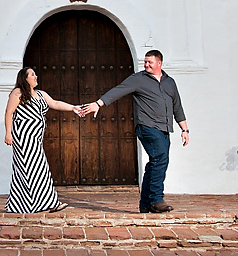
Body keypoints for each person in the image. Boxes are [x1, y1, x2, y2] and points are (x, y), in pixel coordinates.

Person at [80, 50, 188, 213]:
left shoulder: (170, 82)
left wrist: (184, 129)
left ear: (159, 63)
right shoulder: (138, 79)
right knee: (161, 158)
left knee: (155, 163)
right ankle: (157, 200)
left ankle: (145, 204)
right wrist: (99, 103)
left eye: (150, 62)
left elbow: (177, 107)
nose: (146, 65)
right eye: (145, 62)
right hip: (147, 126)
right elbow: (118, 90)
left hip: (165, 128)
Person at [4, 67, 82, 213]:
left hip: (35, 138)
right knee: (34, 169)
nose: (36, 76)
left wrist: (73, 108)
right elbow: (9, 113)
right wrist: (8, 133)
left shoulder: (40, 94)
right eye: (32, 74)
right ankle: (50, 203)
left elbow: (55, 103)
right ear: (24, 78)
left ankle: (19, 205)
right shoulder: (18, 92)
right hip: (23, 138)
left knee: (35, 169)